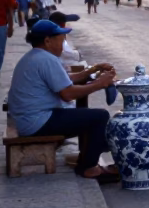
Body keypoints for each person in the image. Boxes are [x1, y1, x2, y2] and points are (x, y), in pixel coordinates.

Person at [8, 19, 119, 182]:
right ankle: (88, 168)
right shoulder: (46, 59)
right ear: (47, 40)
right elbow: (67, 93)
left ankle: (89, 156)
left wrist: (92, 70)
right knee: (99, 117)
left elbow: (65, 79)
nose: (63, 43)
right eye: (61, 40)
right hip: (35, 122)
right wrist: (100, 83)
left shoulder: (36, 56)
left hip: (28, 119)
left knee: (88, 117)